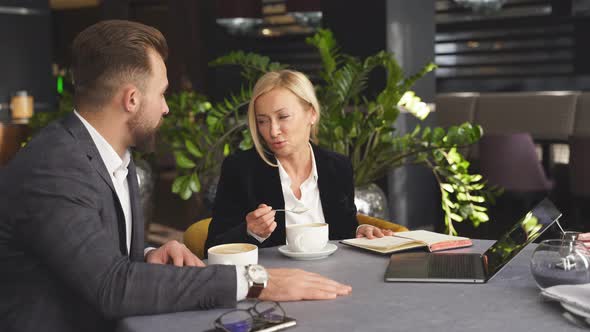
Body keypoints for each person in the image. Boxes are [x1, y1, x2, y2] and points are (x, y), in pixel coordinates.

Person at [0, 20, 351, 332]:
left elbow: (100, 261)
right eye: (162, 93)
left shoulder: (112, 158)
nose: (167, 107)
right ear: (132, 99)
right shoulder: (55, 168)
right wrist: (255, 281)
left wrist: (147, 255)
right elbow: (111, 287)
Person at [205, 70, 393, 252]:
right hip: (276, 280)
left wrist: (360, 232)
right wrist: (249, 232)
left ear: (311, 114)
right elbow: (212, 248)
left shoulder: (337, 166)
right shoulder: (240, 169)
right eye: (262, 121)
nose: (273, 131)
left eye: (283, 117)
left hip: (334, 277)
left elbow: (343, 229)